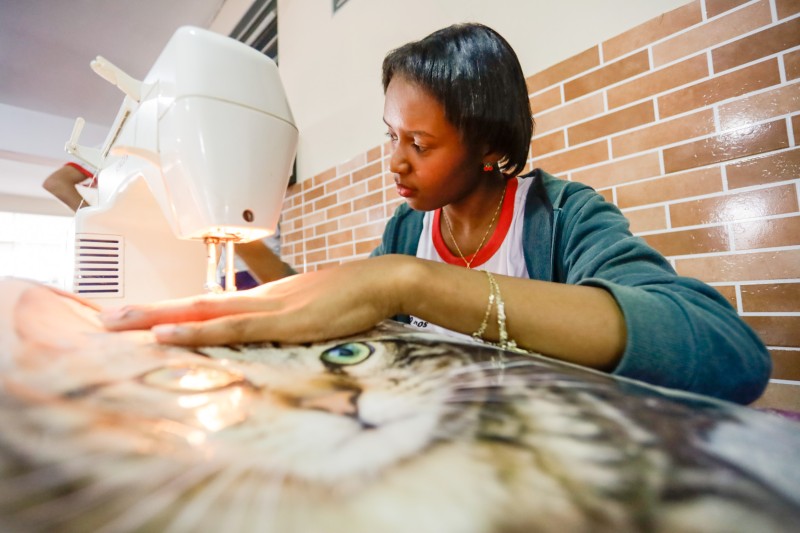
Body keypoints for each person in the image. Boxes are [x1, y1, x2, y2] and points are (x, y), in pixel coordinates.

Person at [99, 23, 770, 404]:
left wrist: (411, 282)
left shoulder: (562, 216)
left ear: (489, 148)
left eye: (417, 144)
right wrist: (242, 235)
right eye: (389, 134)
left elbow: (730, 353)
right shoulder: (406, 231)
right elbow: (343, 306)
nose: (394, 161)